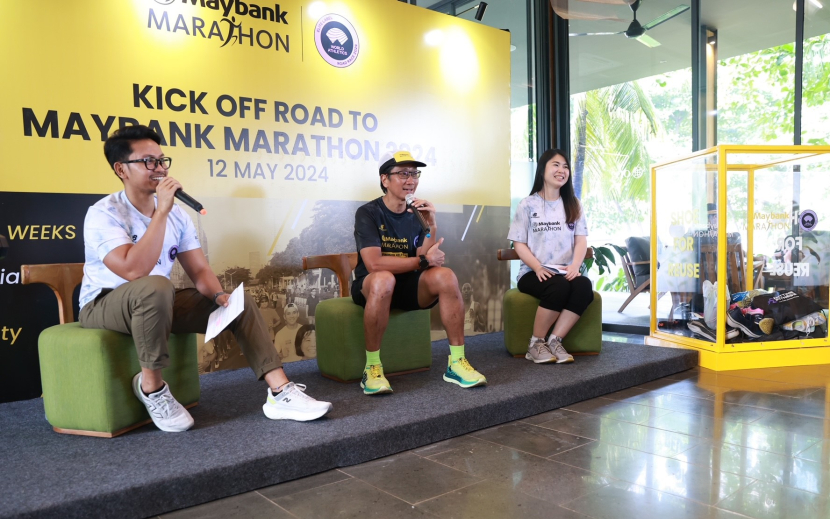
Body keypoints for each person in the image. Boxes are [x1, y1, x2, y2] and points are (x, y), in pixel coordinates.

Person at [78, 125, 332, 432]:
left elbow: (199, 271)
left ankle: (280, 392)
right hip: (104, 303)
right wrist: (160, 214)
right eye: (148, 162)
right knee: (154, 286)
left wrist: (218, 296)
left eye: (162, 160)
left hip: (156, 302)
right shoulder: (104, 213)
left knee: (239, 301)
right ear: (121, 169)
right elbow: (133, 271)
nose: (159, 169)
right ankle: (152, 389)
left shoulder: (177, 215)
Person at [351, 150, 487, 394]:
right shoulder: (368, 212)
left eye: (414, 174)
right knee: (383, 279)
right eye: (403, 173)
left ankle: (456, 362)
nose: (410, 180)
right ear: (385, 180)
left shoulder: (417, 212)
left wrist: (431, 225)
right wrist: (423, 261)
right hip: (373, 285)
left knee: (446, 276)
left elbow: (426, 257)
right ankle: (372, 369)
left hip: (408, 286)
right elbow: (375, 264)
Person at [507, 148, 592, 364]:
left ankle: (555, 340)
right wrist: (537, 267)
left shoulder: (574, 204)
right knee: (559, 287)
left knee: (583, 286)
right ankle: (535, 343)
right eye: (556, 165)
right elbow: (519, 243)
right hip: (533, 272)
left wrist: (575, 266)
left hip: (564, 270)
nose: (561, 170)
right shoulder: (528, 204)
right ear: (543, 169)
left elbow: (581, 240)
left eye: (565, 167)